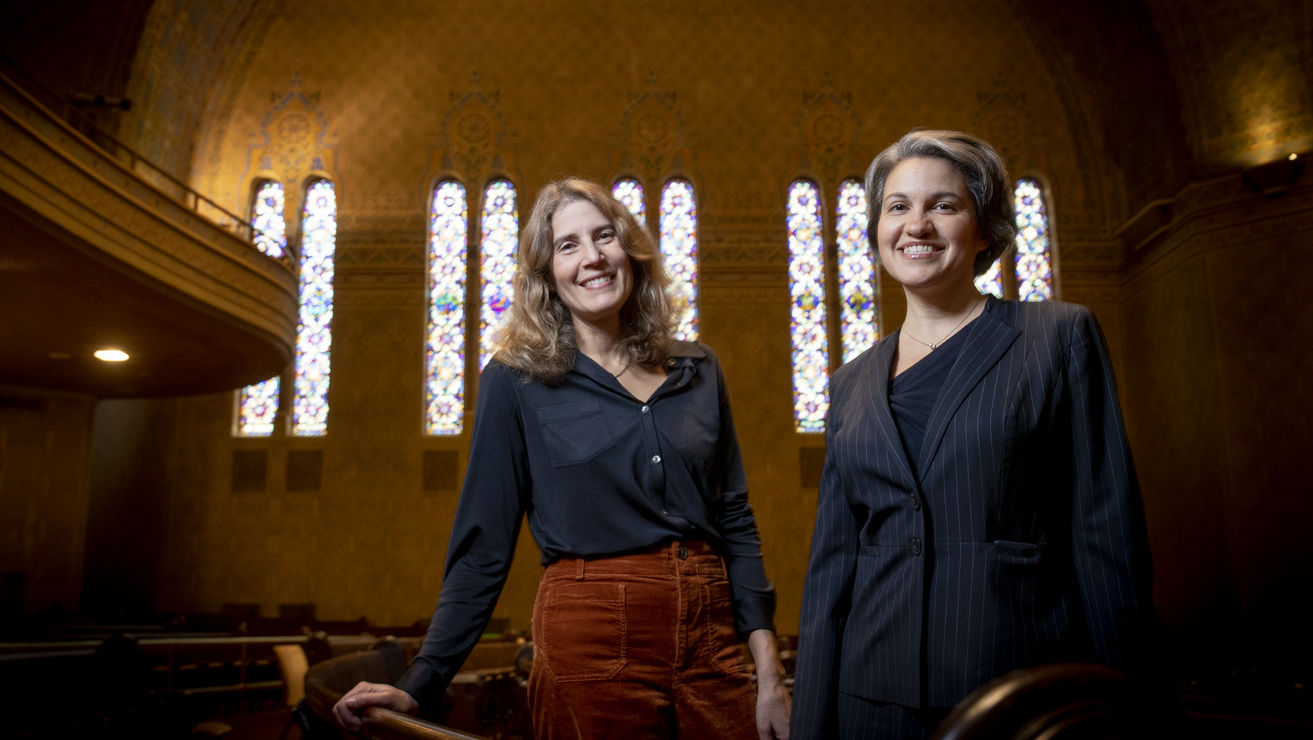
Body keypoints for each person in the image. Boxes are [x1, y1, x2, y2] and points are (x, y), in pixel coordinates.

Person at [334, 177, 790, 739]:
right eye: (568, 246)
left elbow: (736, 520)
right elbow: (483, 547)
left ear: (632, 251)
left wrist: (768, 674)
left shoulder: (699, 368)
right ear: (547, 274)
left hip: (710, 629)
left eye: (605, 237)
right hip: (591, 633)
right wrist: (420, 680)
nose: (592, 258)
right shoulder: (514, 381)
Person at [790, 130, 1159, 739]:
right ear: (878, 231)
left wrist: (1129, 710)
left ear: (984, 227)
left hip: (1013, 690)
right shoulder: (848, 384)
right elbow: (832, 568)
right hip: (869, 698)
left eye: (944, 205)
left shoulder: (1055, 337)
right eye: (898, 207)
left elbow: (1106, 536)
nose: (918, 225)